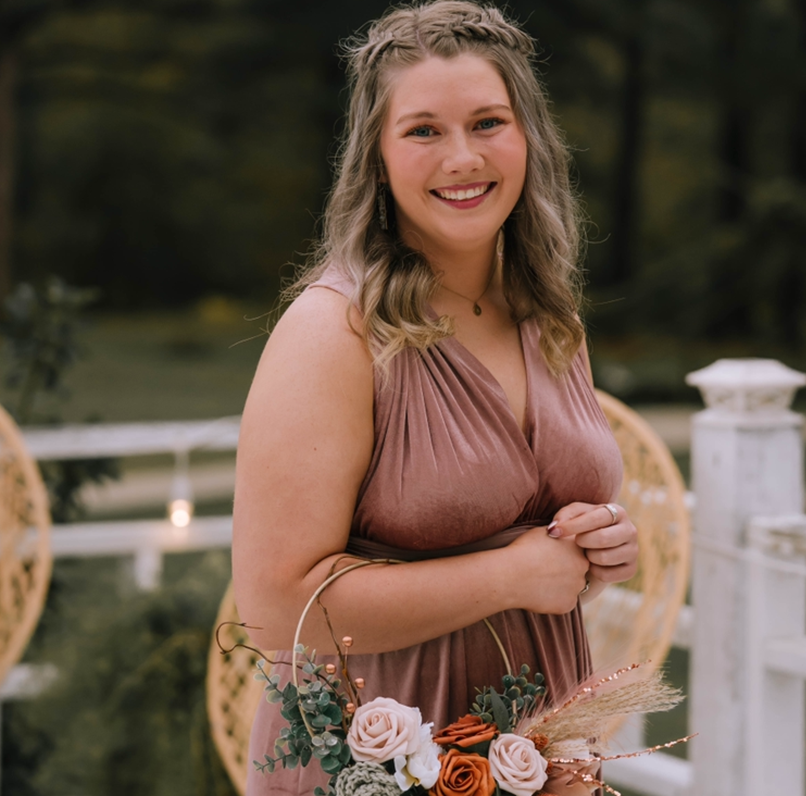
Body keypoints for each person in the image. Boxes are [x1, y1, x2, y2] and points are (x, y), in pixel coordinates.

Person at [232, 2, 639, 794]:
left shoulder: (551, 317)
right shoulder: (334, 331)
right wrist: (510, 577)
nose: (462, 157)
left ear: (529, 136)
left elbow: (536, 539)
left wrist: (597, 550)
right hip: (376, 763)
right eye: (423, 131)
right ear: (377, 157)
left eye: (488, 123)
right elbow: (275, 606)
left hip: (536, 755)